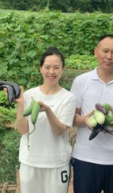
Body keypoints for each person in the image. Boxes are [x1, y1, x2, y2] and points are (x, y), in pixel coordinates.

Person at [71, 34, 113, 193]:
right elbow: (72, 117)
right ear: (96, 52)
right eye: (105, 51)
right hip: (85, 158)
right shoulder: (81, 81)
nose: (109, 57)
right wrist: (85, 121)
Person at [10, 47, 76, 193]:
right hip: (30, 161)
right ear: (40, 69)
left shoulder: (68, 98)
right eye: (47, 67)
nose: (51, 72)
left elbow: (59, 131)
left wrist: (47, 110)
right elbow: (23, 130)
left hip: (56, 163)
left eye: (56, 68)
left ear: (62, 69)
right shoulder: (29, 95)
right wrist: (20, 104)